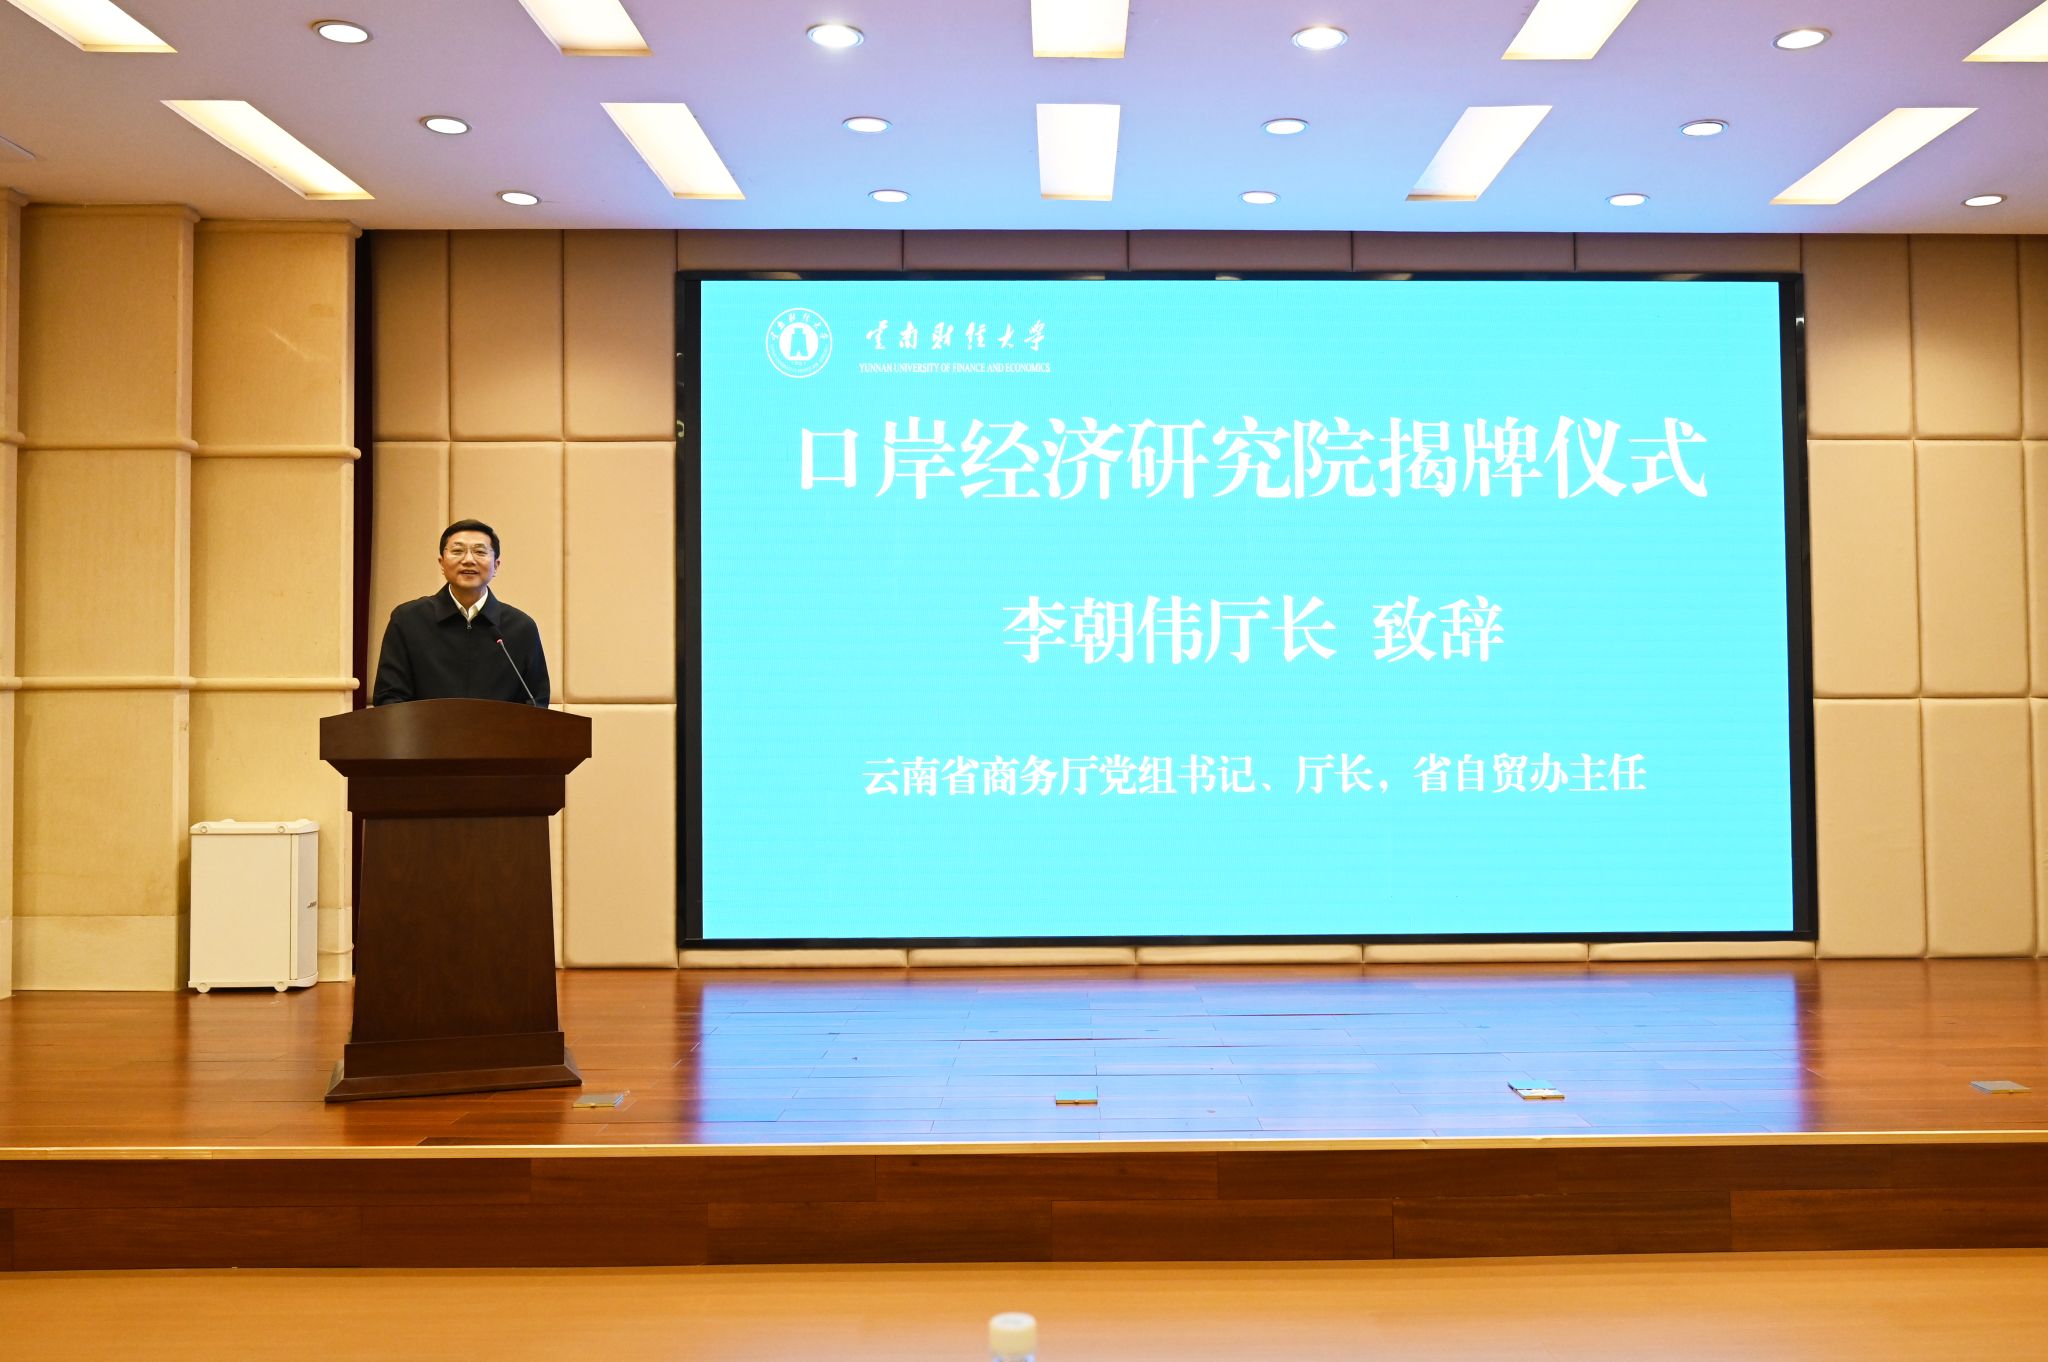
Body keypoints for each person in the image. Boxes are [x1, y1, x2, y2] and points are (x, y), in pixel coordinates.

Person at [372, 519, 550, 707]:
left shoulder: (521, 627)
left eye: (480, 552)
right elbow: (389, 698)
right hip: (425, 727)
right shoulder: (408, 620)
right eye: (457, 551)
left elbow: (535, 703)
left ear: (496, 565)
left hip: (499, 728)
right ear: (442, 563)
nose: (468, 560)